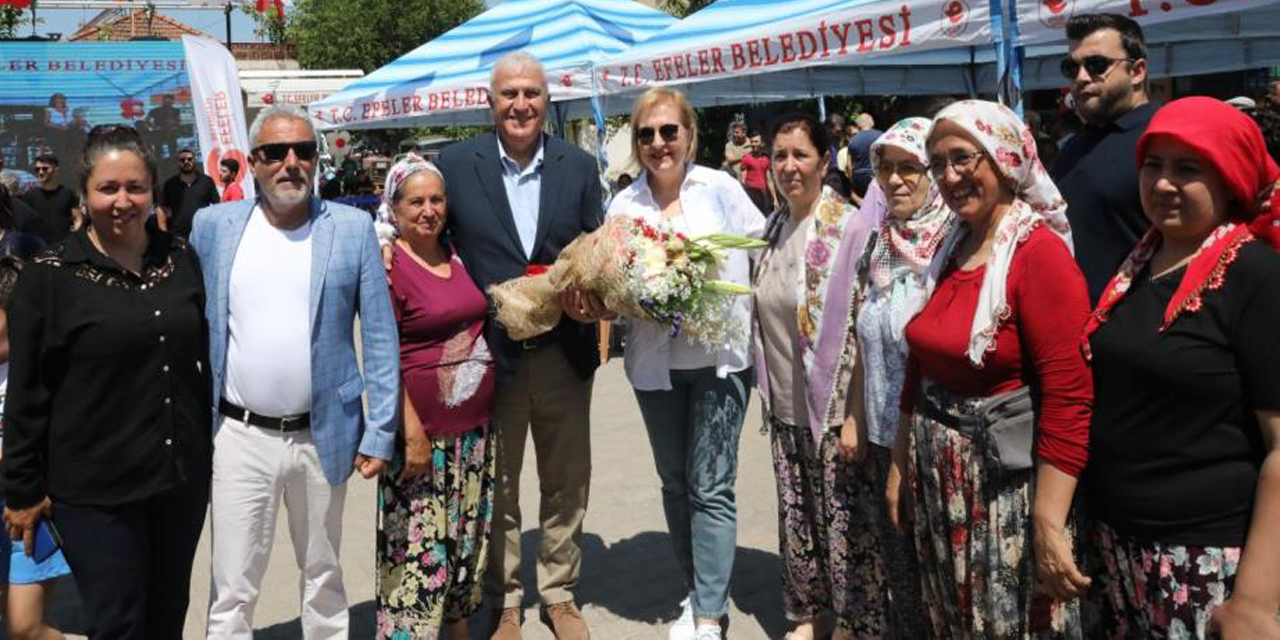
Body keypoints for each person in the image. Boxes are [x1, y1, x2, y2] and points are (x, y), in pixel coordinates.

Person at [884, 100, 1093, 638]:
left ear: (1003, 158)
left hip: (1003, 491)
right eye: (938, 164)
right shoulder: (950, 247)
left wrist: (1048, 522)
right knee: (953, 619)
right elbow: (919, 360)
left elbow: (1069, 397)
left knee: (1006, 624)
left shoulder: (1038, 255)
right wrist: (902, 464)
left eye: (963, 159)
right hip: (940, 479)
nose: (950, 177)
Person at [190, 104, 399, 639]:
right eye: (275, 153)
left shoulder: (351, 229)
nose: (291, 163)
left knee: (324, 576)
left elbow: (378, 335)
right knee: (232, 583)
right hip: (237, 436)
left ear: (317, 160)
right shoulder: (213, 226)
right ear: (253, 163)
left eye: (303, 151)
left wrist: (380, 431)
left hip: (322, 433)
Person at [1079, 97, 1280, 639]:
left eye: (1187, 168)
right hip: (1119, 545)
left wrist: (1256, 602)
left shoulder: (1256, 275)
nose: (1163, 183)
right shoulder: (1140, 259)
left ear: (1230, 176)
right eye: (1153, 165)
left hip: (1205, 559)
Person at [1, 124, 210, 638]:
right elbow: (27, 394)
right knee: (118, 622)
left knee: (166, 615)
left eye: (135, 187)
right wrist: (22, 491)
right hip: (95, 491)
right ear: (84, 193)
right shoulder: (48, 277)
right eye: (108, 188)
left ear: (152, 190)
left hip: (177, 479)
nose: (123, 201)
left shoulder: (179, 258)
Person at [432, 52, 602, 640]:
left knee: (566, 479)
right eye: (509, 94)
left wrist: (595, 301)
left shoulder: (580, 167)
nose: (520, 104)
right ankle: (503, 600)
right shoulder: (454, 165)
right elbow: (429, 243)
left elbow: (597, 254)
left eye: (531, 93)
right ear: (491, 101)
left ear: (547, 100)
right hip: (489, 357)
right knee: (497, 487)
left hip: (564, 354)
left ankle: (558, 592)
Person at [608, 86, 764, 640]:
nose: (658, 143)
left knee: (712, 486)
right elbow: (612, 279)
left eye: (668, 131)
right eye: (646, 134)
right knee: (675, 484)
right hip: (655, 368)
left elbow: (759, 250)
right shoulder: (624, 206)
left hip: (720, 361)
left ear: (689, 135)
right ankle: (694, 588)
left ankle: (709, 612)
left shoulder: (721, 190)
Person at [751, 110, 879, 640]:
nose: (788, 166)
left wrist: (854, 416)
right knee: (799, 515)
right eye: (779, 156)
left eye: (800, 154)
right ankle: (809, 613)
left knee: (844, 521)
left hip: (833, 409)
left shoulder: (847, 226)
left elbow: (862, 327)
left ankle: (854, 620)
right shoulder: (774, 226)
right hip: (785, 404)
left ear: (825, 161)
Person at [376, 155, 496, 640]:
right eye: (416, 201)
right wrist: (410, 429)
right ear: (395, 210)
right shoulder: (388, 264)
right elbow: (383, 357)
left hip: (474, 435)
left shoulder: (457, 253)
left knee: (466, 545)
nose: (428, 210)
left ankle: (461, 631)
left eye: (436, 199)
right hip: (423, 440)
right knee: (417, 557)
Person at [853, 117, 956, 639]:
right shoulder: (877, 247)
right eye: (885, 169)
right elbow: (862, 341)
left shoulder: (953, 249)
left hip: (932, 446)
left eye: (910, 169)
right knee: (902, 577)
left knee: (941, 580)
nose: (894, 181)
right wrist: (854, 420)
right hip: (878, 436)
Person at [1050, 13, 1157, 304]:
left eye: (1097, 65)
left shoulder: (1164, 137)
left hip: (1138, 331)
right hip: (1071, 330)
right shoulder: (1074, 146)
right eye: (1071, 67)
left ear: (1137, 72)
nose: (1081, 78)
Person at [160, 148, 219, 239]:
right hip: (178, 237)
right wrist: (163, 234)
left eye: (190, 159)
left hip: (203, 234)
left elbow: (217, 206)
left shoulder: (206, 181)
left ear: (194, 160)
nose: (186, 162)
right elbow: (162, 210)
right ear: (178, 163)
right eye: (182, 160)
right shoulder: (170, 184)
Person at [20, 154, 77, 244]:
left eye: (45, 168)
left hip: (64, 248)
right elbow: (23, 222)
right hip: (37, 248)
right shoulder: (29, 196)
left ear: (56, 170)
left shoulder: (68, 194)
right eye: (37, 169)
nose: (41, 172)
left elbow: (77, 220)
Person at [847, 113, 883, 201]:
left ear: (859, 125)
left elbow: (849, 165)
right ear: (871, 122)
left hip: (859, 178)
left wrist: (852, 182)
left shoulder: (853, 140)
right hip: (877, 176)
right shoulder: (882, 136)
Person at [739, 130, 773, 214]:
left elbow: (769, 181)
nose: (754, 144)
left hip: (763, 194)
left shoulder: (766, 159)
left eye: (756, 141)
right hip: (751, 194)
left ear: (762, 143)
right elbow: (743, 180)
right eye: (752, 142)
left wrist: (775, 199)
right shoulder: (746, 158)